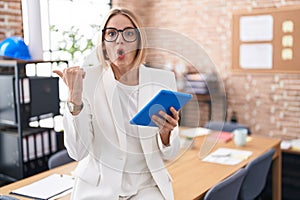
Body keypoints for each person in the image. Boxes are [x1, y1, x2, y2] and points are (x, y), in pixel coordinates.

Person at [54, 7, 180, 200]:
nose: (119, 40)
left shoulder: (163, 80)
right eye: (112, 33)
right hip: (98, 188)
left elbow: (170, 153)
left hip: (146, 187)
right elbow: (78, 152)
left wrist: (165, 135)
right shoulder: (87, 81)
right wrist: (75, 99)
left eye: (129, 33)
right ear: (103, 43)